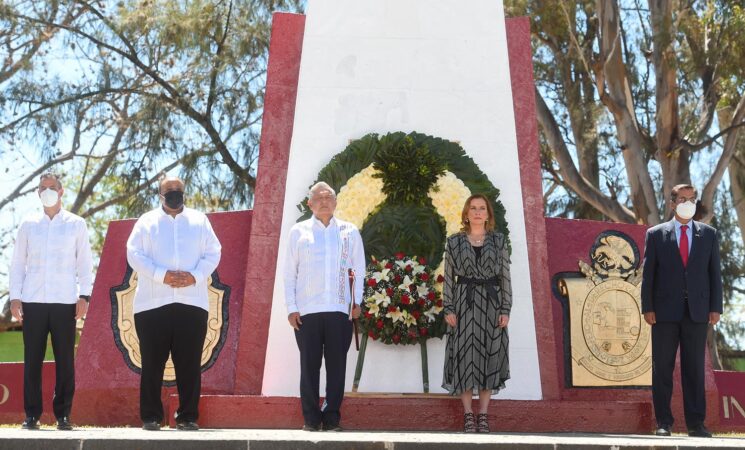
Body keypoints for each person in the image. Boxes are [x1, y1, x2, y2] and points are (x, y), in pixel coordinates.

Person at [126, 176, 221, 431]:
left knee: (189, 364)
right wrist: (162, 275)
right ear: (160, 194)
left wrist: (194, 276)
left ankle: (188, 416)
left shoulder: (200, 220)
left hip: (192, 303)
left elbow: (214, 252)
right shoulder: (146, 221)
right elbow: (133, 254)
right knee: (152, 363)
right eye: (169, 191)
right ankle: (151, 416)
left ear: (184, 192)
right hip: (152, 305)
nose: (174, 194)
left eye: (178, 190)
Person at [9, 172, 93, 431]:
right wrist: (15, 298)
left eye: (52, 187)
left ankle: (63, 415)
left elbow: (84, 263)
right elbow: (17, 264)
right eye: (43, 187)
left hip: (65, 300)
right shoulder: (27, 224)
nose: (47, 191)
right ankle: (31, 415)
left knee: (65, 360)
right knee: (32, 359)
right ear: (38, 193)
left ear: (61, 191)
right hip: (33, 300)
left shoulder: (76, 224)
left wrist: (84, 296)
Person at [641, 184, 722, 438]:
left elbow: (714, 275)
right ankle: (664, 422)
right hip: (664, 312)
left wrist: (715, 308)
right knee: (662, 368)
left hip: (698, 313)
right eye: (683, 199)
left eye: (692, 199)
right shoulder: (655, 234)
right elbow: (649, 275)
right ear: (672, 203)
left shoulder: (709, 235)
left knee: (694, 369)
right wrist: (648, 307)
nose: (688, 203)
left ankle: (696, 424)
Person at [283, 182, 365, 432]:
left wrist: (356, 302)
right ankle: (310, 418)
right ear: (310, 204)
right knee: (309, 366)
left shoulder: (349, 232)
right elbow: (289, 273)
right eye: (319, 198)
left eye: (329, 197)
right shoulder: (298, 232)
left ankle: (331, 418)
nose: (324, 201)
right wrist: (291, 307)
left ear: (336, 202)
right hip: (306, 311)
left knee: (337, 366)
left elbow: (359, 270)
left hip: (340, 309)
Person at [442, 193, 512, 433]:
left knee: (488, 357)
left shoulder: (499, 241)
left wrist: (506, 308)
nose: (478, 212)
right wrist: (448, 307)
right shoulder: (454, 242)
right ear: (466, 213)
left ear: (488, 214)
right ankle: (468, 415)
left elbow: (505, 277)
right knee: (464, 358)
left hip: (492, 305)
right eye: (473, 208)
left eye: (482, 208)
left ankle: (483, 414)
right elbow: (448, 279)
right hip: (463, 304)